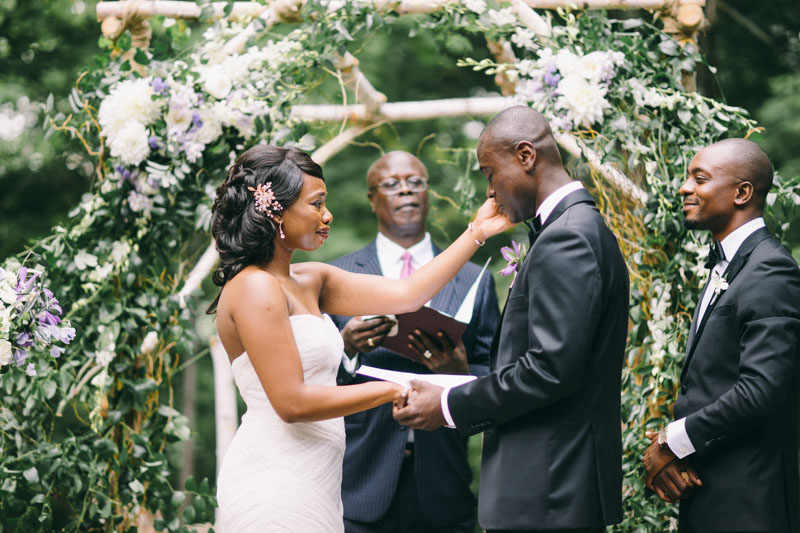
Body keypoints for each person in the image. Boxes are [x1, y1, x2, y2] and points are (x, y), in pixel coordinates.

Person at [208, 144, 513, 532]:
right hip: (276, 478)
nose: (327, 214)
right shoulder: (253, 288)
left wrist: (477, 232)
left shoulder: (311, 279)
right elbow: (292, 402)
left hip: (321, 478)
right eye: (317, 204)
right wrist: (393, 389)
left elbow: (409, 295)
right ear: (277, 210)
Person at [394, 105, 629, 533]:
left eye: (489, 172)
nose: (489, 192)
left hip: (550, 490)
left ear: (525, 156)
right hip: (552, 491)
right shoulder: (572, 229)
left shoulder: (567, 238)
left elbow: (549, 370)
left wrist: (447, 404)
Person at [328, 151, 501, 532]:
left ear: (427, 193)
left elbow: (497, 378)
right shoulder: (337, 277)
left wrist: (459, 375)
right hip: (361, 481)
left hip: (444, 483)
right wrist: (347, 346)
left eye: (415, 182)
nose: (405, 190)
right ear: (372, 199)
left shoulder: (474, 278)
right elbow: (313, 382)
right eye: (391, 184)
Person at [641, 139, 800, 533]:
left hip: (749, 504)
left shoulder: (771, 271)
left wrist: (671, 440)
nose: (684, 188)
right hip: (710, 493)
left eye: (700, 178)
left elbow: (761, 390)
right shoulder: (730, 266)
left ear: (742, 192)